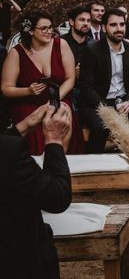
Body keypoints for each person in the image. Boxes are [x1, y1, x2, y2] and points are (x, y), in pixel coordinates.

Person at [0, 103, 73, 279]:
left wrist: (24, 125)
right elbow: (57, 197)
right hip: (16, 262)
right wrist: (54, 141)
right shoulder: (11, 153)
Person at [1, 10, 84, 154]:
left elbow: (70, 79)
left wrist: (54, 100)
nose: (49, 31)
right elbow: (6, 88)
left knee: (63, 112)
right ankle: (34, 166)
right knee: (33, 126)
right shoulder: (17, 53)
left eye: (51, 27)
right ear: (31, 31)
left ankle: (60, 162)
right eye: (44, 28)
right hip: (28, 102)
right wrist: (28, 90)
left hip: (59, 97)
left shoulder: (61, 45)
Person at [78, 9, 129, 153]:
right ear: (104, 28)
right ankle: (93, 162)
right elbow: (86, 86)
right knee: (101, 125)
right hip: (96, 103)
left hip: (122, 102)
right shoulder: (92, 51)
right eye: (113, 25)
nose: (119, 29)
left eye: (122, 24)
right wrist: (108, 108)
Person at [61, 5, 91, 69]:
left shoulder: (94, 45)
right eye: (82, 20)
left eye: (88, 20)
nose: (86, 23)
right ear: (72, 22)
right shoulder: (60, 43)